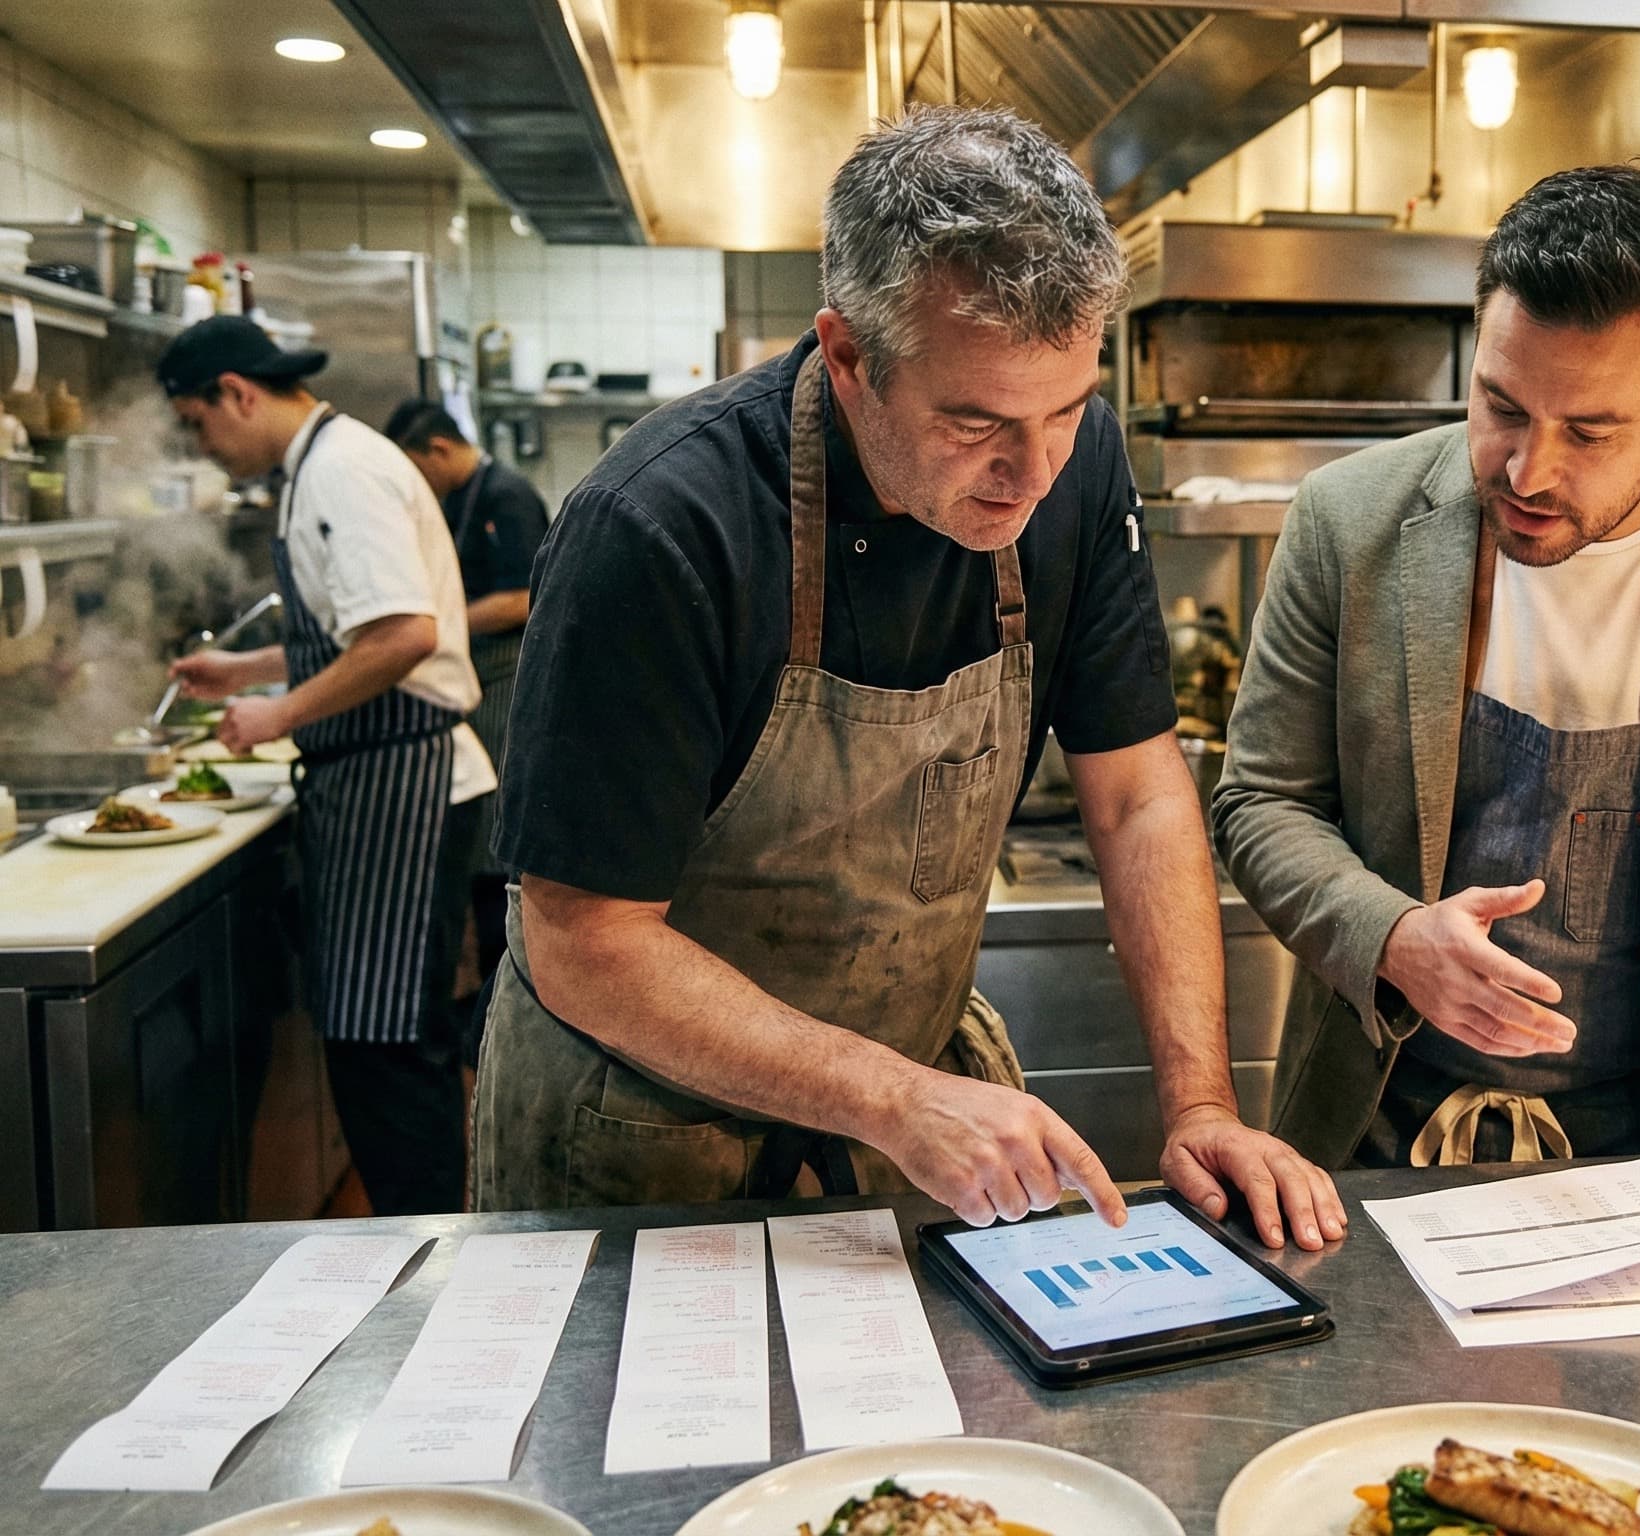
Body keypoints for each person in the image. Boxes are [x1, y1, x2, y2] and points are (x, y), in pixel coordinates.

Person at [469, 106, 1345, 1251]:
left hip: (899, 1124)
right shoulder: (659, 524)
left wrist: (1200, 1107)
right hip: (636, 1138)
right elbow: (583, 943)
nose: (1031, 472)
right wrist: (892, 1098)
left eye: (1064, 410)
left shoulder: (1076, 468)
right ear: (846, 355)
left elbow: (1136, 793)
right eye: (973, 423)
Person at [1213, 165, 1640, 1227]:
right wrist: (1390, 935)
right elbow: (1261, 801)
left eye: (1588, 432)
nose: (1527, 471)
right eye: (1500, 406)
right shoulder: (1347, 522)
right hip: (1370, 1142)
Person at [160, 316, 493, 1216]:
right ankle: (420, 1241)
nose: (202, 445)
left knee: (388, 1050)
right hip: (383, 781)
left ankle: (428, 1252)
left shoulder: (340, 471)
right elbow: (362, 629)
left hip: (401, 785)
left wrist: (277, 712)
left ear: (236, 393)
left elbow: (403, 636)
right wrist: (248, 670)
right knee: (379, 1043)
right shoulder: (326, 463)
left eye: (196, 422)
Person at [385, 398, 548, 1065]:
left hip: (506, 682)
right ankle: (483, 1010)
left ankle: (501, 1016)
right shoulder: (460, 497)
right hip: (478, 683)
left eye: (417, 467)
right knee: (481, 853)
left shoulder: (506, 496)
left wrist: (440, 622)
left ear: (439, 449)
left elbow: (522, 598)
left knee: (497, 854)